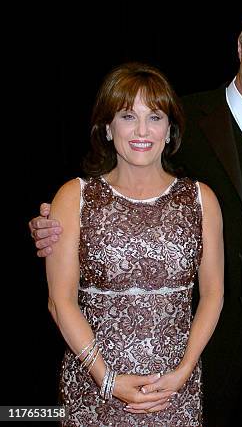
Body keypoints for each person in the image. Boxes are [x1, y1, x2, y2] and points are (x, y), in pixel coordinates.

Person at [32, 10, 242, 426]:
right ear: (241, 48)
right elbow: (114, 192)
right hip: (198, 347)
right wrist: (51, 222)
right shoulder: (183, 118)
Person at [45, 62, 224, 425]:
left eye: (155, 117)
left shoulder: (201, 199)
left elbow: (214, 294)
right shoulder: (73, 196)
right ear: (108, 128)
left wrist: (185, 371)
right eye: (128, 116)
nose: (142, 130)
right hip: (94, 392)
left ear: (170, 129)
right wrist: (107, 379)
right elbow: (59, 302)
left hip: (174, 391)